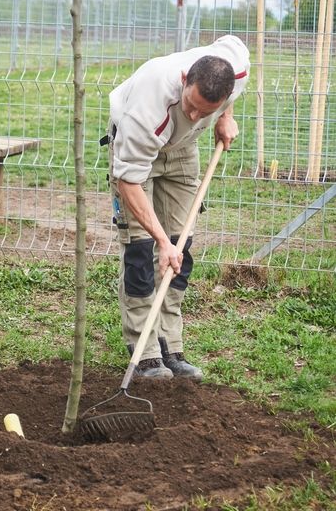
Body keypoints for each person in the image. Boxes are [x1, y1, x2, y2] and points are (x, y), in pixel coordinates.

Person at [106, 34, 250, 380]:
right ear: (185, 80)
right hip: (140, 153)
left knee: (180, 248)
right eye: (192, 105)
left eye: (206, 110)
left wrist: (223, 118)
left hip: (183, 149)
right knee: (141, 250)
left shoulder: (236, 68)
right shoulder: (148, 106)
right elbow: (129, 183)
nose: (195, 113)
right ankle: (145, 352)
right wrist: (160, 241)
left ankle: (170, 345)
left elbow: (234, 50)